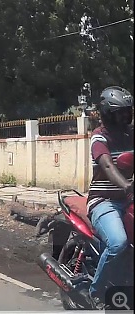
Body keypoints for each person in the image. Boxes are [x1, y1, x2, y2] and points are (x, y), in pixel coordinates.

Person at [83, 86, 134, 308]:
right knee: (118, 243)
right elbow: (107, 165)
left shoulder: (130, 135)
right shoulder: (98, 137)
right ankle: (95, 291)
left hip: (128, 200)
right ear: (107, 113)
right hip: (104, 202)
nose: (125, 116)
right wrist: (126, 186)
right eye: (120, 112)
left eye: (127, 111)